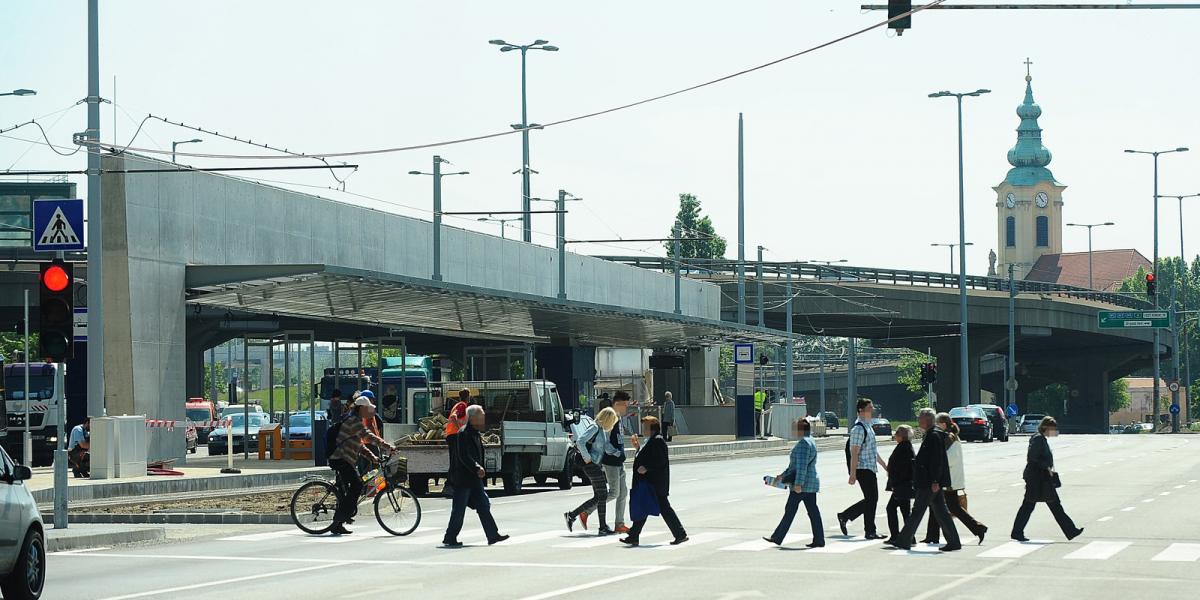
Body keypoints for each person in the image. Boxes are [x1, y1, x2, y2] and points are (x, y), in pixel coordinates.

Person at [889, 408, 961, 552]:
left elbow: (936, 461)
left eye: (919, 418)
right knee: (941, 512)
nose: (917, 420)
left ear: (927, 419)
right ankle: (954, 541)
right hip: (930, 481)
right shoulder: (932, 434)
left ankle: (903, 540)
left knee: (917, 511)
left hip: (929, 481)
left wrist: (935, 481)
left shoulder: (934, 435)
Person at [443, 404, 510, 547]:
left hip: (474, 479)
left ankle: (492, 535)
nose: (484, 418)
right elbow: (463, 456)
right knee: (459, 510)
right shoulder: (463, 433)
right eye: (482, 416)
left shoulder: (475, 433)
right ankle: (450, 537)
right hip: (463, 478)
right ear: (473, 418)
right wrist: (476, 467)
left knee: (483, 506)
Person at [328, 395, 394, 535]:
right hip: (341, 459)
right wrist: (387, 446)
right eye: (368, 408)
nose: (370, 410)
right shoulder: (354, 421)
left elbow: (360, 445)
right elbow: (367, 436)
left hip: (346, 459)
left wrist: (373, 457)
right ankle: (341, 518)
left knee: (349, 490)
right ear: (362, 409)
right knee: (357, 485)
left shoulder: (355, 420)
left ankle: (338, 523)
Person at [1011, 416, 1083, 542]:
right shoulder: (1039, 439)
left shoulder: (1040, 438)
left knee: (1032, 506)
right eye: (1053, 428)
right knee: (1042, 505)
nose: (1054, 431)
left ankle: (1071, 530)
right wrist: (1047, 467)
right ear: (1046, 427)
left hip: (1039, 478)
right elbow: (1032, 457)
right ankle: (1070, 530)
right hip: (1037, 479)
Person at [620, 416, 687, 547]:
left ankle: (680, 534)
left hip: (655, 483)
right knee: (644, 508)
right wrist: (638, 448)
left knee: (664, 508)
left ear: (652, 428)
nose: (643, 429)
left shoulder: (658, 440)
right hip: (649, 483)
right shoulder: (650, 440)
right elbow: (647, 457)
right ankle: (634, 536)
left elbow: (660, 461)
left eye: (645, 427)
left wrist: (647, 468)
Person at [923, 413, 988, 546]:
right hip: (949, 478)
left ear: (943, 424)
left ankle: (977, 528)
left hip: (948, 479)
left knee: (943, 506)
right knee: (941, 506)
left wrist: (935, 466)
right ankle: (932, 535)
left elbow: (949, 458)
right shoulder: (950, 437)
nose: (935, 426)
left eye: (937, 423)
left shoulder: (949, 438)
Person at [763, 418, 824, 548]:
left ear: (800, 430)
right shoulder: (811, 440)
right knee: (813, 512)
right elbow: (795, 466)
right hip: (810, 483)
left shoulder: (803, 443)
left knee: (790, 511)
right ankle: (819, 539)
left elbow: (801, 466)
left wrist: (798, 484)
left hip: (802, 485)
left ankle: (777, 537)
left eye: (795, 429)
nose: (794, 431)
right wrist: (782, 476)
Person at [582, 391, 636, 534]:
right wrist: (616, 453)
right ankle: (586, 511)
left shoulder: (618, 418)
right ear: (618, 404)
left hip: (619, 462)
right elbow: (605, 442)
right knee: (613, 493)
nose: (627, 408)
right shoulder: (611, 418)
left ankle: (619, 523)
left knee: (623, 493)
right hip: (611, 462)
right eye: (625, 405)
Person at [565, 407, 620, 536]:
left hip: (594, 464)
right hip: (590, 464)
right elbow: (580, 441)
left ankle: (572, 515)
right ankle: (602, 527)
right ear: (607, 419)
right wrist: (588, 458)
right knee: (603, 495)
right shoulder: (594, 427)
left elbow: (605, 447)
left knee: (599, 496)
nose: (611, 425)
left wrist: (617, 453)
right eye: (611, 421)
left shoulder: (600, 430)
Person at [837, 399, 887, 540]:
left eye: (872, 407)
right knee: (872, 499)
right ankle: (869, 530)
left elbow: (872, 451)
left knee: (872, 499)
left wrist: (884, 465)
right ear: (860, 410)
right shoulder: (858, 429)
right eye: (869, 408)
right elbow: (854, 453)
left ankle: (845, 516)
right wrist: (853, 474)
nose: (872, 410)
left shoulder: (868, 426)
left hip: (870, 468)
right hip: (862, 468)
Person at [883, 424, 915, 546]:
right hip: (904, 484)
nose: (895, 436)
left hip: (901, 485)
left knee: (892, 509)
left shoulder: (903, 448)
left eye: (896, 433)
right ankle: (909, 537)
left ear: (902, 436)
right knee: (905, 511)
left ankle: (897, 536)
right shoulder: (905, 446)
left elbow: (900, 468)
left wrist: (895, 483)